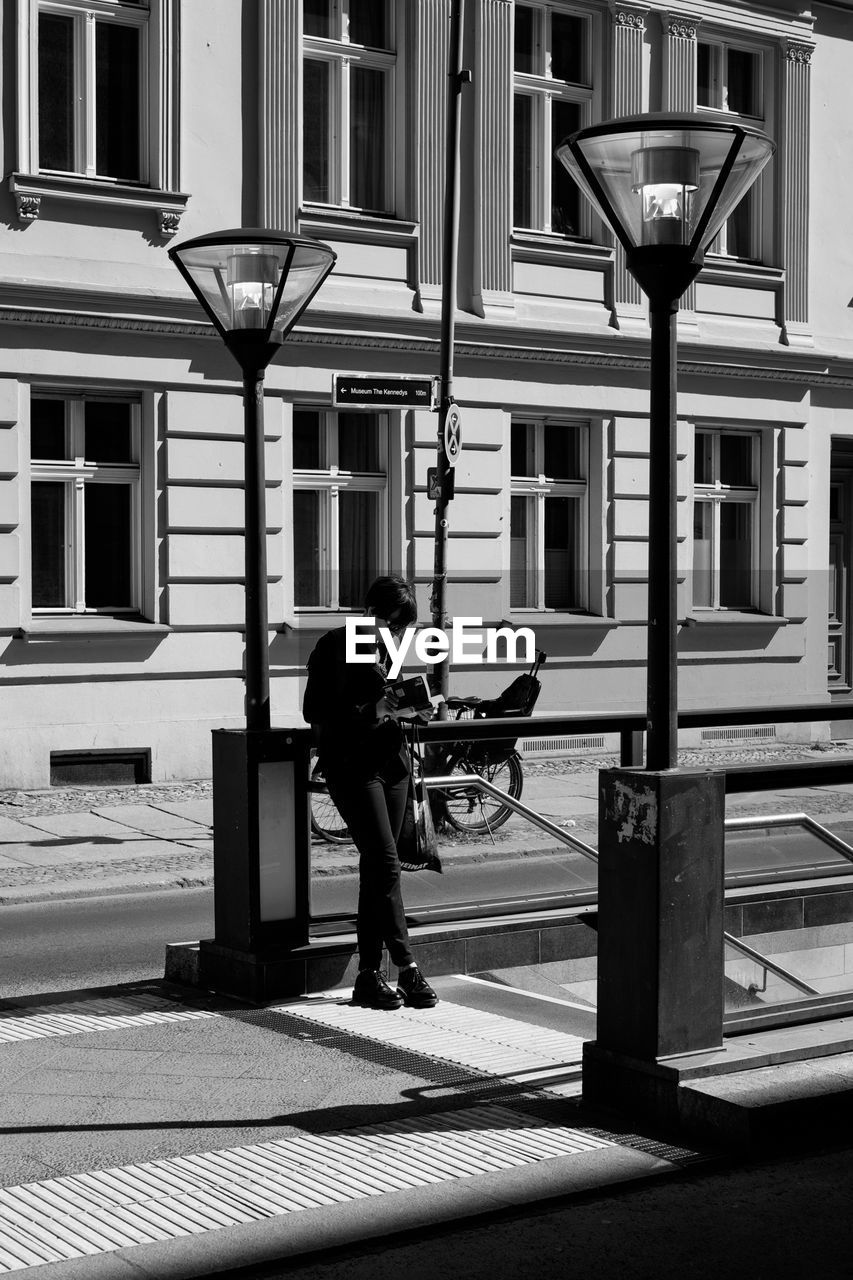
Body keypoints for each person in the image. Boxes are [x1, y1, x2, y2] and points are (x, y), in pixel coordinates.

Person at [303, 575, 439, 1011]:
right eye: (393, 625)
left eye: (404, 629)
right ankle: (406, 964)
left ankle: (369, 975)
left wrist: (414, 706)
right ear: (371, 614)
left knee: (381, 866)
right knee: (383, 861)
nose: (399, 635)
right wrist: (371, 709)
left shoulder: (387, 650)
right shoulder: (333, 645)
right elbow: (314, 711)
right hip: (353, 767)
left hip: (392, 762)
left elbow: (388, 700)